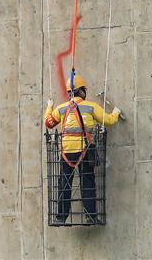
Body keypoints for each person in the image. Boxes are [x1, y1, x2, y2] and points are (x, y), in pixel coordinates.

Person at [44, 74, 121, 224]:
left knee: (64, 183)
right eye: (84, 90)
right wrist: (116, 112)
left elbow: (48, 123)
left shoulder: (61, 109)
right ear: (81, 91)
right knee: (87, 182)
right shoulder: (90, 106)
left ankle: (61, 217)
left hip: (67, 152)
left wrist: (49, 106)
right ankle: (91, 216)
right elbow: (109, 121)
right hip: (85, 151)